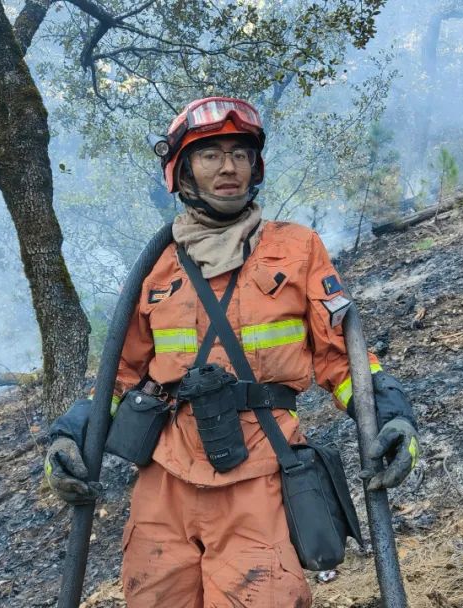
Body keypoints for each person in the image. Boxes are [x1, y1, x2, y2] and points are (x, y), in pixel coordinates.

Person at [44, 97, 420, 607]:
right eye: (211, 155)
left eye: (241, 154)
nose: (228, 167)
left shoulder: (298, 248)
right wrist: (70, 437)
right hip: (164, 484)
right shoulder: (155, 266)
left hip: (259, 477)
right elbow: (120, 373)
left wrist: (392, 418)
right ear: (182, 172)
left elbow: (341, 357)